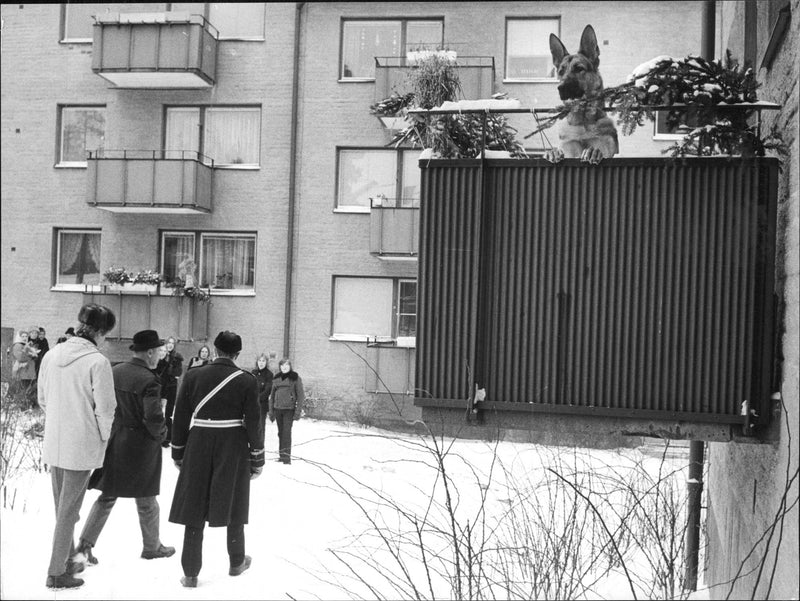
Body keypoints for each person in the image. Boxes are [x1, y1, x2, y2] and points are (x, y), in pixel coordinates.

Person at [169, 331, 264, 588]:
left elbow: (180, 417)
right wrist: (257, 457)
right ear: (237, 354)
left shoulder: (193, 375)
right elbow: (254, 423)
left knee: (194, 506)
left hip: (198, 442)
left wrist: (178, 451)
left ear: (214, 349)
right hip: (232, 445)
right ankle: (236, 562)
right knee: (234, 501)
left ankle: (190, 573)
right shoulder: (246, 380)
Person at [75, 330, 176, 566]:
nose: (160, 357)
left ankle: (85, 545)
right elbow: (153, 417)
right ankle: (152, 547)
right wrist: (162, 435)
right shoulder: (150, 380)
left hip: (117, 440)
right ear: (149, 352)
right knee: (147, 497)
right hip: (142, 447)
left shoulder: (115, 371)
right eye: (158, 352)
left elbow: (99, 403)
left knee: (107, 495)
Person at [38, 304, 117, 590]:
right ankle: (57, 571)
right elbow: (106, 409)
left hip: (55, 442)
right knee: (68, 511)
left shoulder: (51, 355)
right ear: (97, 332)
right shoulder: (98, 362)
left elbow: (43, 399)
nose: (106, 339)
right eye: (106, 334)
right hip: (81, 444)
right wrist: (102, 438)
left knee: (63, 509)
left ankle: (68, 560)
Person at [267, 358, 305, 465]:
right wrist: (271, 411)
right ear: (280, 367)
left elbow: (301, 396)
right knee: (280, 433)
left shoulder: (295, 378)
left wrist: (297, 412)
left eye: (287, 365)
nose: (284, 367)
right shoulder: (276, 378)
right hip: (278, 409)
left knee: (287, 433)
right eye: (282, 365)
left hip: (289, 410)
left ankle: (287, 459)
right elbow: (272, 396)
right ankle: (281, 456)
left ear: (290, 366)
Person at [155, 336, 183, 447]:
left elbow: (177, 373)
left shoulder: (176, 358)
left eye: (172, 343)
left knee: (168, 413)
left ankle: (167, 437)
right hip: (161, 387)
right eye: (168, 343)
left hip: (170, 387)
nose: (170, 345)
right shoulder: (159, 359)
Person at [10, 328, 38, 407]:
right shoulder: (17, 346)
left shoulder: (26, 345)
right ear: (19, 337)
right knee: (23, 391)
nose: (25, 338)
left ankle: (29, 406)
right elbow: (21, 358)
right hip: (23, 373)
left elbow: (33, 356)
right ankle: (23, 407)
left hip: (29, 373)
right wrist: (31, 355)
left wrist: (32, 354)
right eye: (23, 336)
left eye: (26, 336)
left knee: (29, 391)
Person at [252, 353, 274, 441]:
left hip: (262, 405)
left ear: (266, 362)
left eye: (263, 361)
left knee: (260, 427)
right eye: (259, 361)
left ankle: (260, 448)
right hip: (251, 404)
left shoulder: (269, 374)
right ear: (257, 362)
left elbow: (267, 390)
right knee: (251, 426)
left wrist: (257, 398)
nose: (261, 363)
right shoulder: (253, 373)